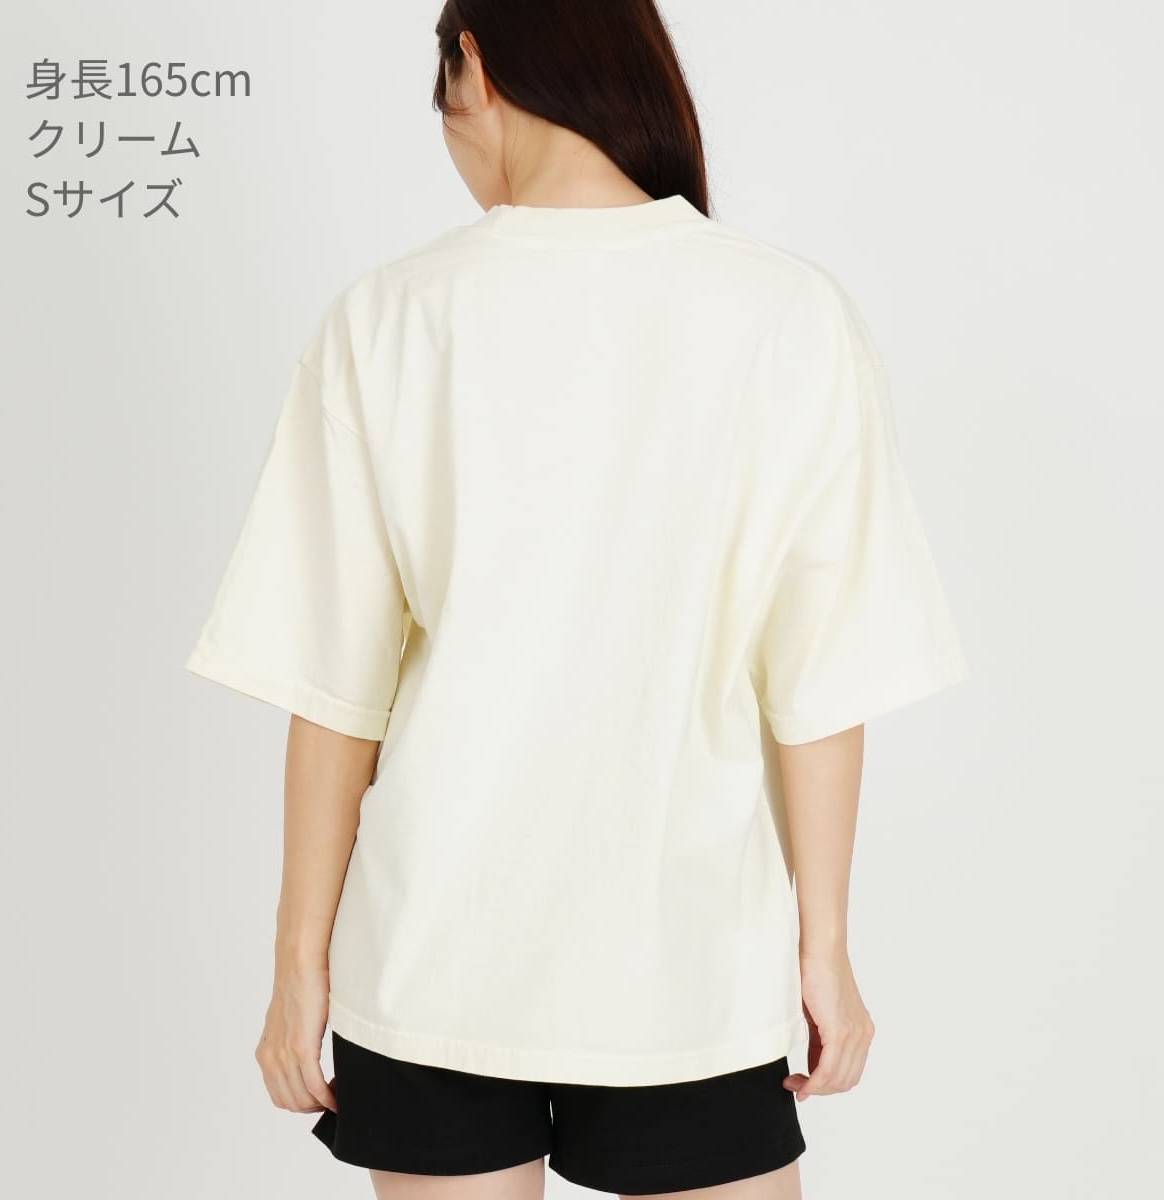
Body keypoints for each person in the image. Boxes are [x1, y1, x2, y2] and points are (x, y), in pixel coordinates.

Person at [183, 2, 969, 1197]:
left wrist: (300, 967)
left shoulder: (392, 315)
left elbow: (334, 687)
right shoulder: (787, 313)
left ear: (474, 65)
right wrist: (825, 950)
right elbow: (821, 680)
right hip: (689, 972)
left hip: (431, 968)